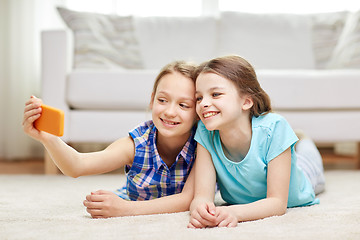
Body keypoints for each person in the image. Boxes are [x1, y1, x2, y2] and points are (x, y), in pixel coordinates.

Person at [23, 61, 199, 218]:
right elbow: (77, 165)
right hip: (130, 197)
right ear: (152, 100)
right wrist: (49, 139)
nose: (169, 111)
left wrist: (126, 209)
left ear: (198, 111)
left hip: (130, 205)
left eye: (183, 105)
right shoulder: (136, 144)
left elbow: (188, 199)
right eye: (162, 100)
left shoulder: (203, 145)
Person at [188, 55, 325, 228]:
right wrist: (201, 210)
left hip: (303, 179)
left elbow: (277, 203)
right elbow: (201, 196)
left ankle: (302, 139)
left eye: (216, 94)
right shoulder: (204, 132)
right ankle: (293, 142)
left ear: (246, 101)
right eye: (199, 98)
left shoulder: (275, 127)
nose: (204, 104)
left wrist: (235, 212)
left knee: (308, 157)